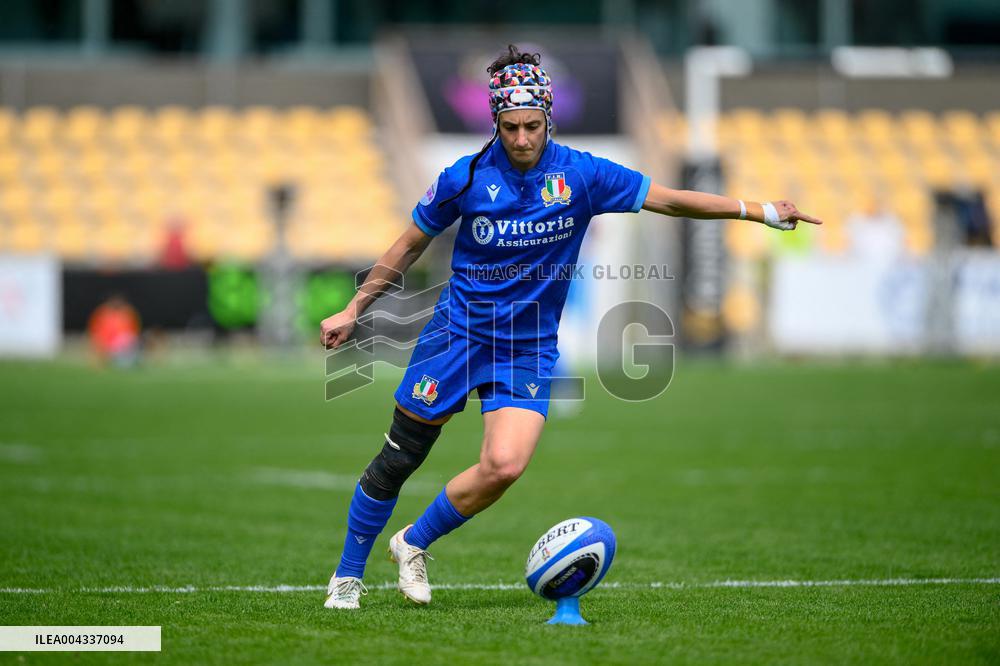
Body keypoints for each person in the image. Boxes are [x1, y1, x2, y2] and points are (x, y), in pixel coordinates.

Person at [319, 45, 822, 609]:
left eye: (533, 125)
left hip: (527, 346)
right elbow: (409, 244)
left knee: (505, 465)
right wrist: (354, 308)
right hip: (455, 336)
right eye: (510, 127)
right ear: (495, 122)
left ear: (548, 118)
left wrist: (760, 210)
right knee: (400, 459)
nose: (522, 138)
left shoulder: (582, 175)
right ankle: (346, 577)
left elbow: (673, 201)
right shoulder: (463, 178)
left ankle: (413, 541)